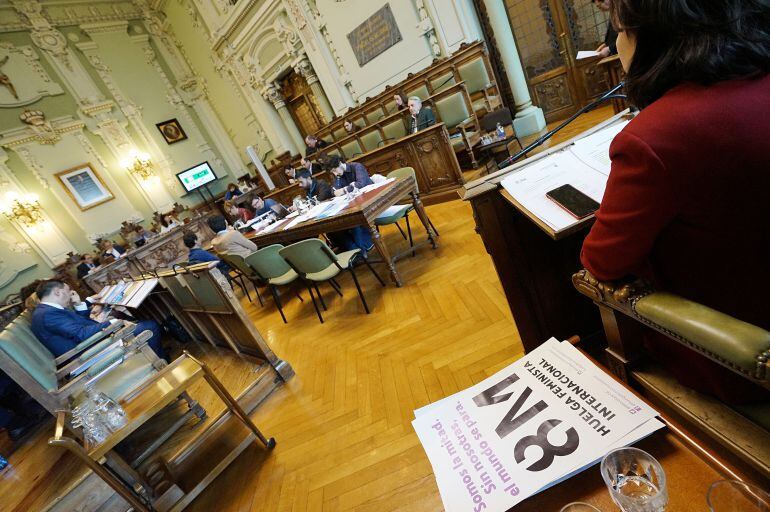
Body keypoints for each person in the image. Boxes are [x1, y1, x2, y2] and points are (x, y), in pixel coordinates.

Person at [580, 0, 770, 404]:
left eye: (619, 30)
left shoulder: (655, 136)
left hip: (735, 366)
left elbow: (601, 261)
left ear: (650, 34)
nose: (616, 44)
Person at [30, 280, 167, 360]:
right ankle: (161, 365)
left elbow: (77, 325)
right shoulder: (47, 314)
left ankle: (156, 360)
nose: (71, 294)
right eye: (68, 291)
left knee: (133, 321)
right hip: (90, 353)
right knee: (149, 327)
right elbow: (81, 334)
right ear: (57, 292)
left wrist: (79, 304)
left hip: (93, 344)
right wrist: (113, 323)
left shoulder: (47, 310)